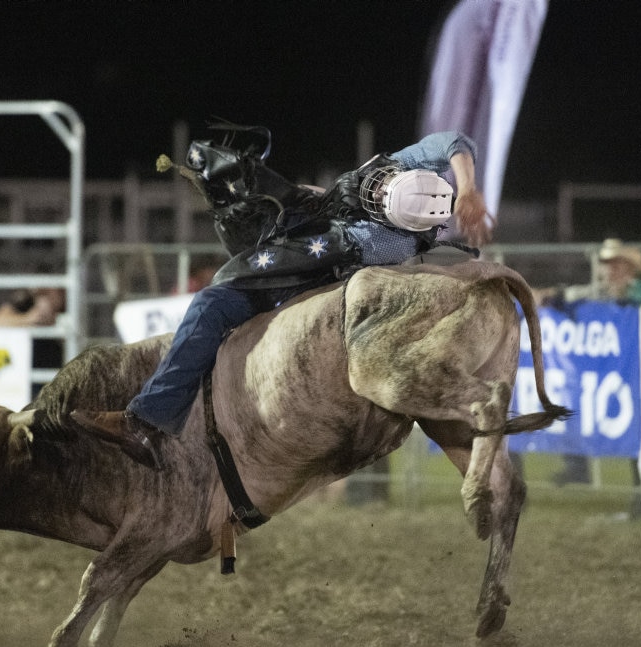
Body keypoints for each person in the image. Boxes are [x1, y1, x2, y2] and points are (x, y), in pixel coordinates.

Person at [72, 125, 493, 470]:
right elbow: (456, 142)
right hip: (314, 272)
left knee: (211, 306)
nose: (377, 193)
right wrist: (469, 187)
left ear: (399, 223)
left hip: (303, 280)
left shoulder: (387, 244)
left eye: (383, 201)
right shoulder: (405, 171)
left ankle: (150, 422)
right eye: (382, 191)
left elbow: (326, 236)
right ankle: (163, 424)